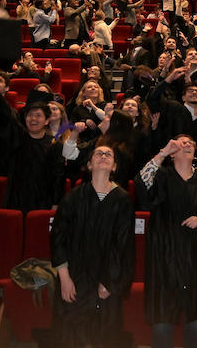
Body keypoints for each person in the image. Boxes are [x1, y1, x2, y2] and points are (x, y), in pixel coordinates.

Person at [138, 135, 197, 348]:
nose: (187, 144)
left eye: (190, 143)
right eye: (181, 142)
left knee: (192, 315)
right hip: (164, 254)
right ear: (172, 153)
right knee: (162, 314)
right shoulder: (162, 176)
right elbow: (142, 184)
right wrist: (163, 152)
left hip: (193, 256)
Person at [51, 140, 136, 348]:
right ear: (89, 165)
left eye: (108, 154)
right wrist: (64, 278)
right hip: (75, 278)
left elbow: (123, 245)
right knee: (72, 335)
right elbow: (58, 238)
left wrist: (109, 281)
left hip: (107, 279)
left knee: (104, 336)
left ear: (114, 167)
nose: (103, 156)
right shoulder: (73, 197)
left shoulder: (123, 200)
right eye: (98, 154)